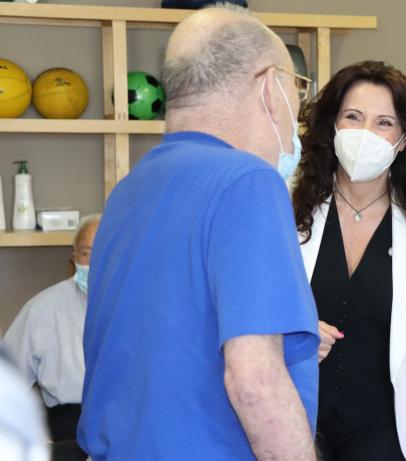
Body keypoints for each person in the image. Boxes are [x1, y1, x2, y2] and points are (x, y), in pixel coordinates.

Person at [78, 5, 319, 461]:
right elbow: (255, 383)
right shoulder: (248, 181)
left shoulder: (130, 189)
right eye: (296, 91)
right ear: (270, 87)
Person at [291, 60, 406, 460]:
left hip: (382, 431)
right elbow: (259, 306)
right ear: (333, 125)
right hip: (296, 417)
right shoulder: (292, 207)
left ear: (403, 139)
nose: (365, 133)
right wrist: (294, 332)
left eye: (383, 123)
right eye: (353, 117)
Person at [2, 214, 100, 444]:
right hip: (67, 432)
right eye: (86, 254)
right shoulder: (43, 308)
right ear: (74, 258)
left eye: (103, 252)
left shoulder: (141, 307)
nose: (95, 263)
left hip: (128, 432)